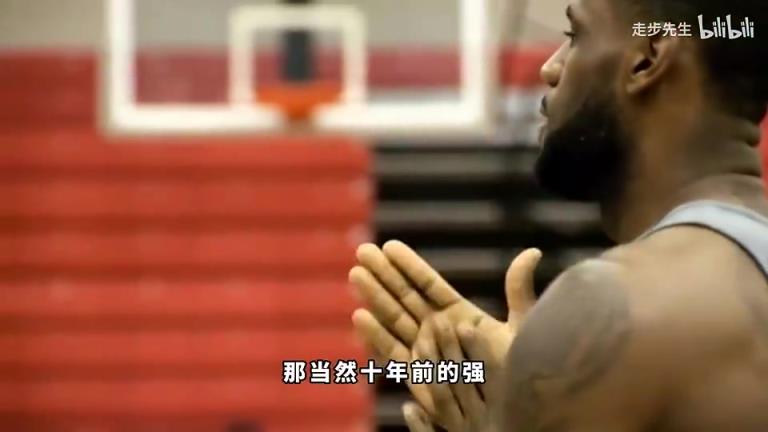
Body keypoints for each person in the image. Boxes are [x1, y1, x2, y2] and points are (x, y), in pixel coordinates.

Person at [350, 0, 768, 430]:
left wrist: (535, 394)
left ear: (648, 58)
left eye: (575, 36)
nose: (550, 67)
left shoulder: (604, 310)